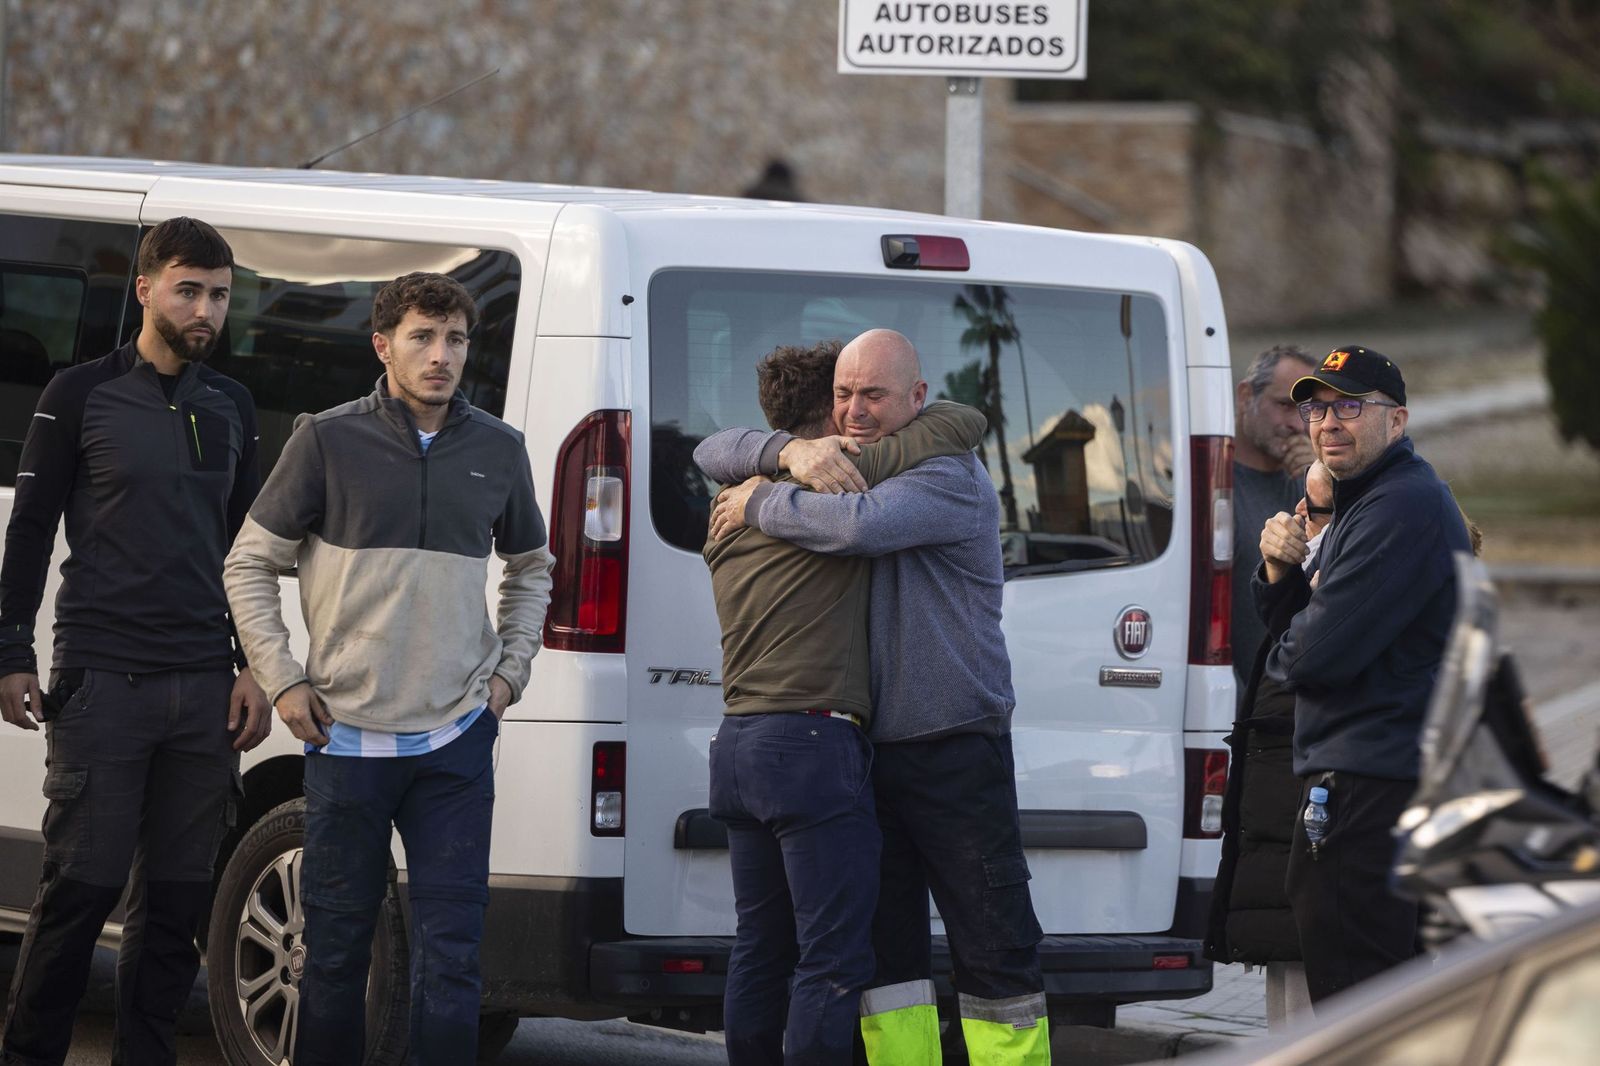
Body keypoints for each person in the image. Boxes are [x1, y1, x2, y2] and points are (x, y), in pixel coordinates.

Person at [222, 272, 553, 1065]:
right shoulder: (326, 438)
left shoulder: (499, 448)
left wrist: (510, 674)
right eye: (422, 338)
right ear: (383, 345)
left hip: (456, 745)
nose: (442, 357)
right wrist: (284, 677)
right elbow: (248, 563)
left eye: (456, 340)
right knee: (332, 962)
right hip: (347, 743)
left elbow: (532, 567)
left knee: (453, 962)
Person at [698, 329, 1047, 1065]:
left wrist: (760, 497)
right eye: (843, 395)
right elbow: (711, 450)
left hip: (955, 746)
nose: (855, 411)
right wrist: (785, 453)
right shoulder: (844, 463)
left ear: (917, 399)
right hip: (870, 755)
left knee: (993, 951)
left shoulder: (946, 475)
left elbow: (863, 526)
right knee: (889, 968)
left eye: (874, 395)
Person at [0, 217, 272, 1066]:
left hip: (203, 691)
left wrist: (256, 667)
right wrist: (12, 650)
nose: (205, 310)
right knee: (79, 895)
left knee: (176, 907)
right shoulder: (78, 394)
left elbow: (247, 553)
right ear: (146, 287)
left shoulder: (230, 406)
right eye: (189, 290)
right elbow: (32, 531)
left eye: (220, 295)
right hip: (101, 683)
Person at [1255, 346, 1471, 1004]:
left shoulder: (1400, 508)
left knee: (1357, 1005)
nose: (1328, 423)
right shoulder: (1363, 502)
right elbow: (1301, 630)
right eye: (1318, 408)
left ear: (1397, 421)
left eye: (1351, 407)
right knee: (1380, 1003)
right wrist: (1280, 572)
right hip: (1369, 777)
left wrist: (1292, 640)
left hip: (1372, 786)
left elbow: (1310, 658)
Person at [1205, 460, 1333, 1029]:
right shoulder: (1322, 574)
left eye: (1314, 508)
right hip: (1289, 855)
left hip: (1324, 858)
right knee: (1291, 1018)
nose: (1298, 518)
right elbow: (1287, 638)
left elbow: (1314, 656)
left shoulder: (1365, 575)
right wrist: (1281, 574)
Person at [1230, 345, 1317, 688]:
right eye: (1284, 405)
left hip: (1301, 705)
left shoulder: (1314, 484)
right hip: (1240, 710)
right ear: (1245, 396)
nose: (1298, 425)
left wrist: (1322, 479)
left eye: (1308, 411)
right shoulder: (1213, 487)